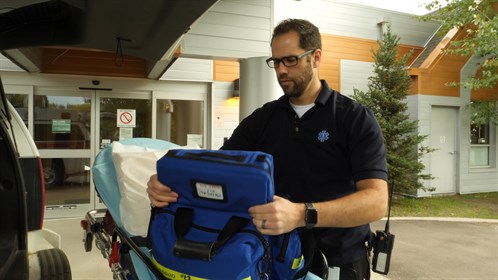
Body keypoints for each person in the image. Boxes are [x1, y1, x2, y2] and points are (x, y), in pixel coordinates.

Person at [147, 18, 388, 280]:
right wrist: (168, 183)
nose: (281, 70)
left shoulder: (354, 118)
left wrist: (301, 214)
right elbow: (216, 170)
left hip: (338, 262)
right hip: (274, 260)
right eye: (276, 61)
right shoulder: (263, 119)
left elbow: (376, 202)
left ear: (316, 57)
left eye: (290, 60)